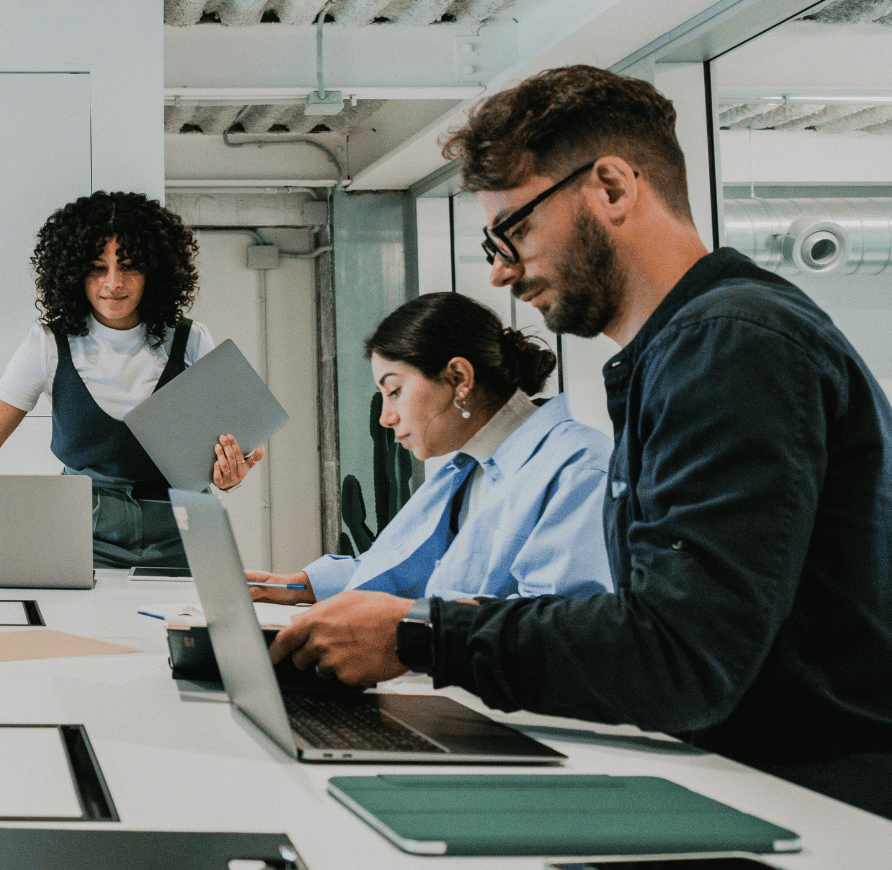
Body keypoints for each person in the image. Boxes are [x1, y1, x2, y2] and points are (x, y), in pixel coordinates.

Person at [268, 65, 892, 817]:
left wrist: (423, 638)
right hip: (749, 777)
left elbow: (680, 653)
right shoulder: (685, 351)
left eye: (516, 228)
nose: (501, 270)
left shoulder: (731, 345)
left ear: (613, 187)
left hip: (811, 805)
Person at [0, 191, 262, 570]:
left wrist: (229, 478)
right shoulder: (47, 346)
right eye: (97, 267)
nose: (113, 283)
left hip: (185, 534)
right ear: (74, 271)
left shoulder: (191, 341)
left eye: (130, 266)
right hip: (81, 537)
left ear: (154, 269)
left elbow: (240, 445)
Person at [248, 291, 611, 606]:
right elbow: (404, 570)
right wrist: (300, 586)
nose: (386, 418)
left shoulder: (580, 469)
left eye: (395, 391)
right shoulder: (469, 470)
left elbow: (561, 625)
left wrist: (403, 625)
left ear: (458, 378)